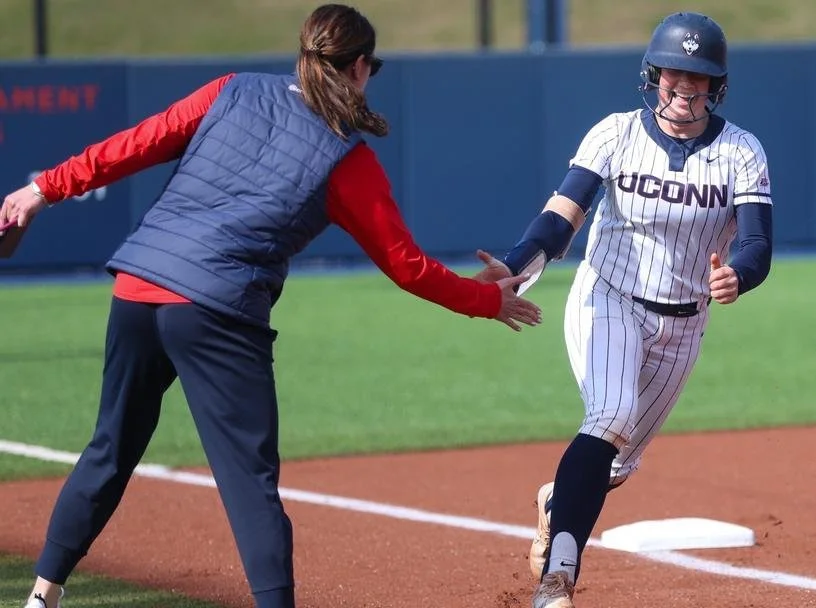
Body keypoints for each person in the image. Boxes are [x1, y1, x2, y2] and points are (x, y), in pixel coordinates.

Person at [1, 5, 542, 608]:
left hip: (137, 287)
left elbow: (134, 145)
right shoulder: (346, 157)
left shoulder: (231, 90)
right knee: (249, 484)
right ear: (360, 68)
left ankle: (42, 595)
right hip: (214, 309)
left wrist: (41, 189)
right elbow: (406, 266)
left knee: (109, 449)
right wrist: (485, 300)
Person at [477, 12, 774, 608]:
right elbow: (563, 216)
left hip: (684, 321)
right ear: (653, 74)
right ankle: (557, 580)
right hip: (607, 297)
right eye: (674, 72)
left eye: (699, 76)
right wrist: (518, 263)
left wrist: (737, 276)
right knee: (609, 418)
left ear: (718, 85)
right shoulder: (614, 133)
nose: (685, 85)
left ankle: (555, 503)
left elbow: (758, 244)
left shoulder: (742, 151)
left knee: (613, 466)